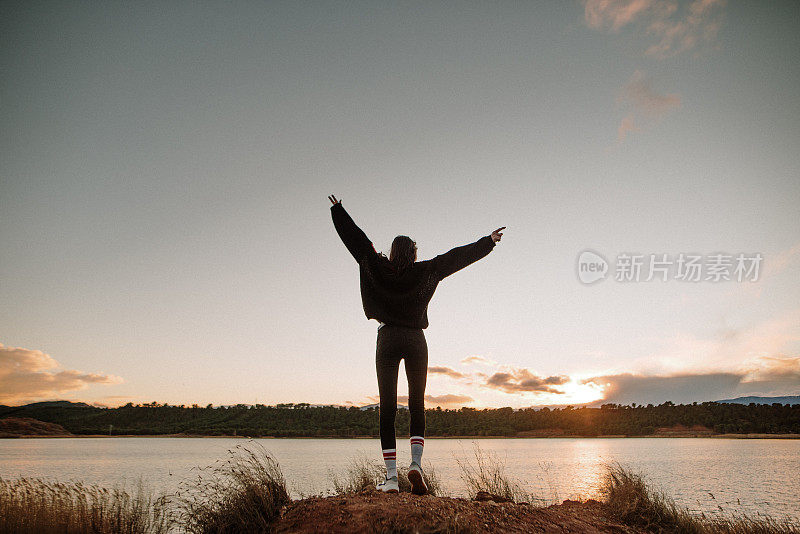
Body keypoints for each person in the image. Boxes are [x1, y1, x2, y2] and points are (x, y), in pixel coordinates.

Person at [328, 194, 504, 495]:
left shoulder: (375, 264)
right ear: (413, 253)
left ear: (393, 252)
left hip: (387, 339)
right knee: (416, 403)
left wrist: (338, 211)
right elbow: (455, 257)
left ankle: (393, 478)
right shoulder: (427, 271)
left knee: (387, 407)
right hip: (415, 340)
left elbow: (356, 240)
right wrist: (487, 241)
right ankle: (416, 465)